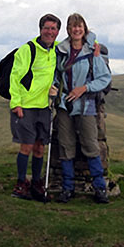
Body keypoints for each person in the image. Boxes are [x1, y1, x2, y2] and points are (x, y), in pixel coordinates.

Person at [53, 13, 112, 204]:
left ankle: (100, 188)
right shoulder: (61, 51)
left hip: (86, 104)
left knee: (90, 145)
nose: (76, 29)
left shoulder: (92, 53)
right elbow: (56, 75)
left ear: (84, 28)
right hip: (64, 104)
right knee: (66, 145)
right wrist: (54, 89)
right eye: (72, 26)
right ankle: (67, 188)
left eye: (79, 26)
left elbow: (104, 78)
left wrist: (84, 88)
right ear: (68, 30)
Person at [10, 13, 61, 201]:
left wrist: (95, 47)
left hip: (44, 107)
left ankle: (37, 183)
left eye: (53, 29)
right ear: (40, 29)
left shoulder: (57, 49)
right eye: (46, 28)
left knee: (40, 147)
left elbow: (81, 39)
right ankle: (21, 183)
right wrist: (16, 103)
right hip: (26, 105)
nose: (50, 32)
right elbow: (14, 77)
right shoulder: (27, 49)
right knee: (27, 146)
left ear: (57, 32)